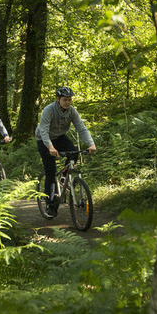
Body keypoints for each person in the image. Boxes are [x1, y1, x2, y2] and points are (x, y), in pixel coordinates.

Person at [35, 86, 96, 217]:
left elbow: (81, 127)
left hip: (60, 137)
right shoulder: (49, 110)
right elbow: (43, 131)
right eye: (65, 100)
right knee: (50, 171)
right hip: (44, 140)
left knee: (74, 152)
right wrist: (50, 147)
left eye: (69, 100)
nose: (67, 102)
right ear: (58, 99)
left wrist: (91, 143)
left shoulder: (72, 111)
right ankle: (50, 204)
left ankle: (64, 177)